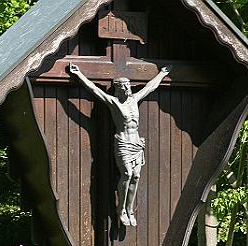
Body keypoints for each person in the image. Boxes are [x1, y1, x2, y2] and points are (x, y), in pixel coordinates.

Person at [68, 63, 171, 227]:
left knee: (136, 176)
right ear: (118, 88)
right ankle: (121, 209)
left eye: (128, 85)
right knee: (127, 174)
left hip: (136, 143)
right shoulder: (113, 102)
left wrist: (162, 74)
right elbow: (94, 90)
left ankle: (130, 210)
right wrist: (79, 74)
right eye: (124, 86)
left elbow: (150, 87)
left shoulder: (134, 99)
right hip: (123, 142)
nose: (128, 88)